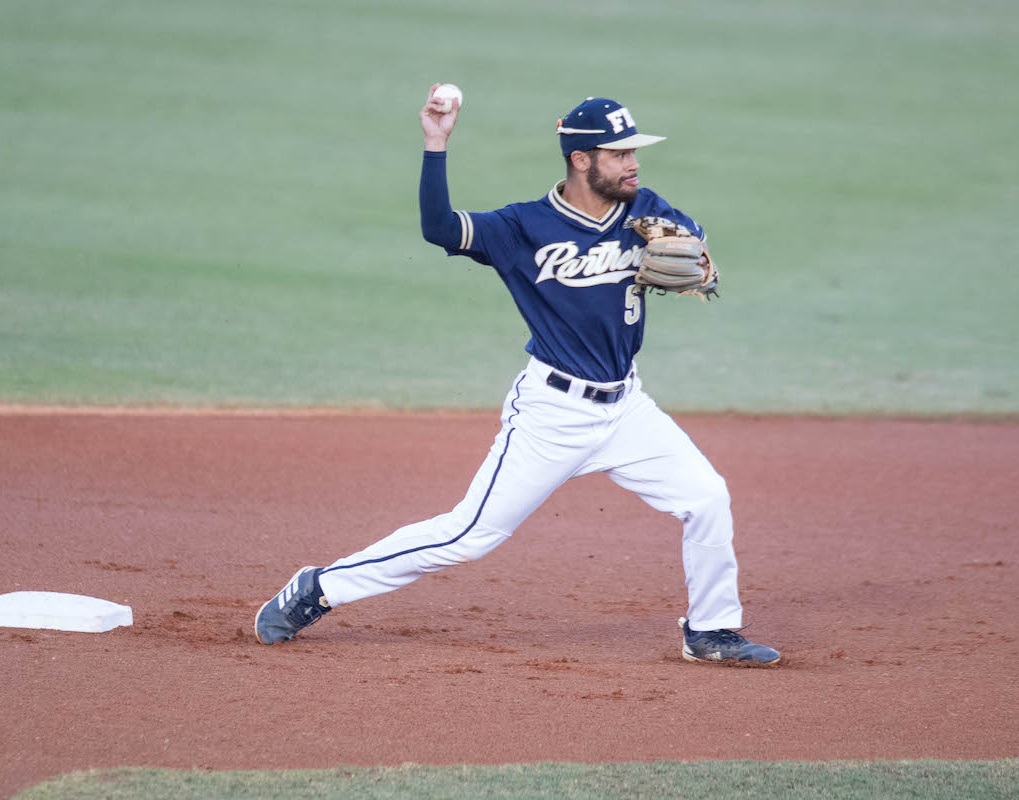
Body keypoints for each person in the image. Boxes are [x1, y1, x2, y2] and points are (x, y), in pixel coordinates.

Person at [254, 86, 780, 665]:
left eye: (634, 151)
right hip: (552, 415)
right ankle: (320, 587)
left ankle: (710, 629)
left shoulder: (644, 208)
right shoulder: (523, 227)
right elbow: (440, 228)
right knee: (468, 536)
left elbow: (694, 249)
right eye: (619, 154)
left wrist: (699, 258)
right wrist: (436, 144)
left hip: (628, 409)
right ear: (581, 159)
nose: (633, 163)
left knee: (707, 498)